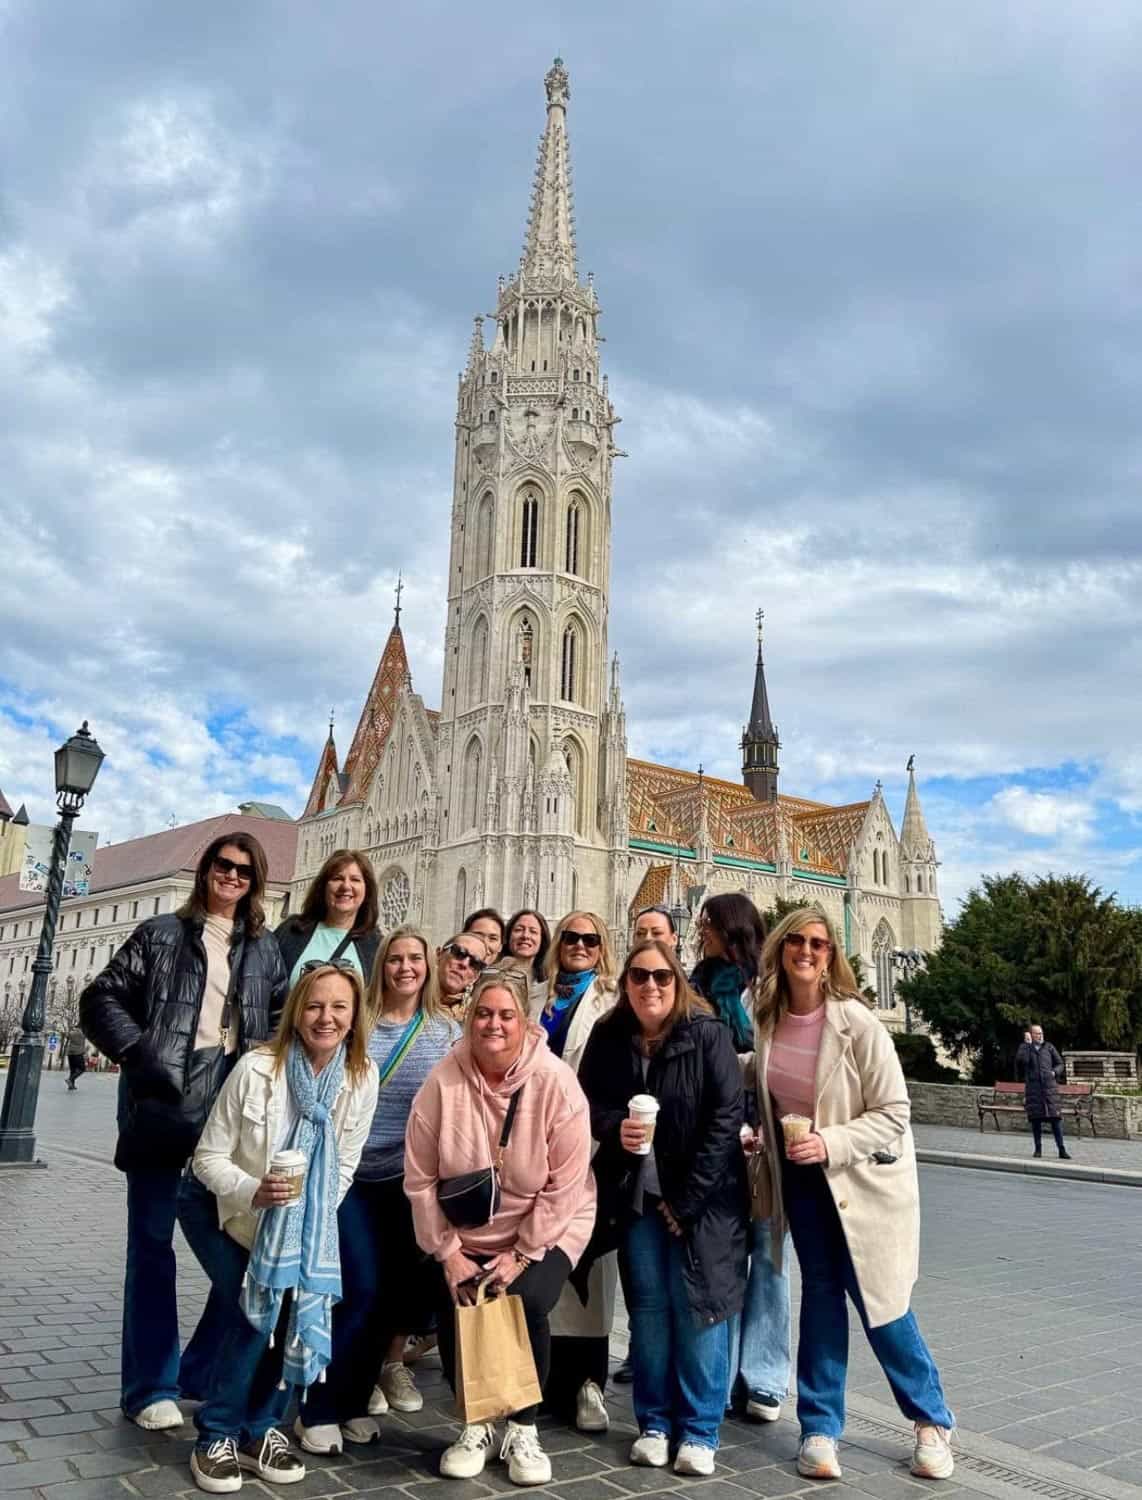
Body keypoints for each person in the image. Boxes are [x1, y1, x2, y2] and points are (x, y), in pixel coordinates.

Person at [80, 833, 288, 1432]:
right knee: (151, 1246)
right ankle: (149, 1386)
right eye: (223, 865)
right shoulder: (162, 933)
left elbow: (276, 1021)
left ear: (255, 882)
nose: (231, 877)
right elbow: (101, 999)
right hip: (164, 1106)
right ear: (206, 871)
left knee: (238, 1249)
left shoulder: (263, 948)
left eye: (244, 871)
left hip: (229, 1109)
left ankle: (196, 1371)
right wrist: (144, 1053)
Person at [753, 906, 955, 1483]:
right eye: (797, 941)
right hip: (801, 1179)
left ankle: (931, 1421)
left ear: (832, 954)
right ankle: (819, 1426)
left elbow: (894, 1112)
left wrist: (831, 1142)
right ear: (781, 949)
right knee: (819, 1295)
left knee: (881, 1302)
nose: (807, 952)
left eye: (819, 943)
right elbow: (759, 1081)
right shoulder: (764, 1016)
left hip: (860, 1179)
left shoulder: (858, 1022)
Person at [183, 965, 379, 1493]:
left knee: (294, 1305)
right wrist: (255, 1190)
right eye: (315, 1006)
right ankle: (217, 1433)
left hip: (299, 1219)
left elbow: (344, 1165)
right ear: (297, 1011)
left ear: (354, 1015)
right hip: (224, 1209)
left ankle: (261, 1426)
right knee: (252, 1307)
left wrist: (306, 1221)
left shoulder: (361, 1076)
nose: (326, 1018)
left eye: (339, 1007)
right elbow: (207, 1158)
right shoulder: (257, 1069)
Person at [404, 966, 595, 1487]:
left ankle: (522, 1427)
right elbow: (420, 1179)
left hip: (549, 1224)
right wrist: (447, 1252)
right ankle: (474, 1423)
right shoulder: (443, 1081)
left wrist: (525, 1253)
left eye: (506, 1015)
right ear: (469, 1018)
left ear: (523, 1021)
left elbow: (566, 1183)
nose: (494, 1025)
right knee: (461, 1295)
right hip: (466, 1228)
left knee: (524, 1299)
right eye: (483, 1014)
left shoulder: (555, 1082)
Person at [578, 939, 747, 1477]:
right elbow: (585, 1102)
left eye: (661, 977)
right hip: (637, 1198)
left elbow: (726, 1119)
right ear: (625, 983)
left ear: (678, 983)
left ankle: (699, 1429)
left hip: (701, 1200)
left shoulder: (707, 1036)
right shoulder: (609, 1037)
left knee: (699, 1308)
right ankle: (654, 1421)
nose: (650, 985)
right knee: (648, 1308)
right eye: (639, 976)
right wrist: (611, 1126)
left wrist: (688, 1200)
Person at [293, 926, 460, 1454]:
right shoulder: (357, 1022)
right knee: (358, 1290)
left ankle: (354, 1401)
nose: (405, 968)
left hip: (409, 1183)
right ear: (381, 966)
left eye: (415, 958)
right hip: (350, 1178)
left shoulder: (443, 1030)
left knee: (387, 1302)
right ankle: (316, 1408)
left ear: (427, 966)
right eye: (395, 959)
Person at [530, 911, 618, 1433]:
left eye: (591, 939)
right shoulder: (536, 998)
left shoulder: (611, 1001)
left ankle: (588, 1385)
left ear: (602, 948)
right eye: (571, 937)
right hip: (532, 1144)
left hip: (589, 1143)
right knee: (540, 1257)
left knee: (588, 1267)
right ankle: (543, 1378)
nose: (579, 946)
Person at [274, 849, 381, 987]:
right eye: (337, 878)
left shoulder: (375, 946)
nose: (346, 886)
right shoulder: (291, 931)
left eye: (355, 879)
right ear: (323, 887)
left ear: (367, 890)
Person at [689, 893, 764, 1053]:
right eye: (699, 923)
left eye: (707, 923)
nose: (701, 931)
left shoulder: (764, 983)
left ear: (731, 926)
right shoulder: (699, 980)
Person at [1015, 1025, 1071, 1159]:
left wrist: (1054, 1072)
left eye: (1041, 1033)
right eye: (1037, 1034)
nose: (1040, 1036)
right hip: (1034, 1090)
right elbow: (1023, 1061)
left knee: (1056, 1120)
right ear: (1031, 1035)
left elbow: (1060, 1064)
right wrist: (1028, 1045)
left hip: (1049, 1089)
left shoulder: (1049, 1047)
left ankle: (1061, 1150)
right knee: (1036, 1121)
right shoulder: (1024, 1048)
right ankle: (1038, 1149)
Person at [436, 931, 489, 1018]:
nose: (464, 964)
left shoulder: (475, 1016)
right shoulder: (409, 995)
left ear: (476, 977)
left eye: (475, 963)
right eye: (459, 953)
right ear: (439, 954)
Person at [503, 908, 551, 983]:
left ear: (542, 940)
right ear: (508, 936)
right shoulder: (491, 977)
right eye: (519, 930)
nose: (525, 936)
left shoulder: (550, 984)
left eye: (533, 931)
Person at [65, 1024, 86, 1088]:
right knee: (82, 1068)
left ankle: (71, 1085)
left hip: (70, 1053)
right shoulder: (83, 1033)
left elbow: (67, 1036)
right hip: (78, 1053)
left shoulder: (72, 1033)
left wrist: (71, 1030)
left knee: (72, 1070)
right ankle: (70, 1079)